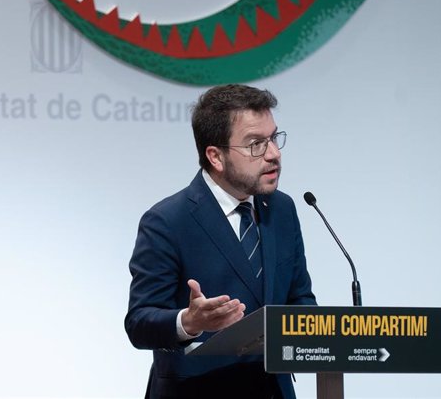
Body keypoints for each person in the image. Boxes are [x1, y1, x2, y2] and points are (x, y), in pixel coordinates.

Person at [125, 84, 316, 399]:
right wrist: (188, 321)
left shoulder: (282, 209)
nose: (274, 154)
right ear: (215, 156)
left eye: (274, 138)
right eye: (256, 144)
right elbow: (139, 322)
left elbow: (300, 299)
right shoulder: (167, 221)